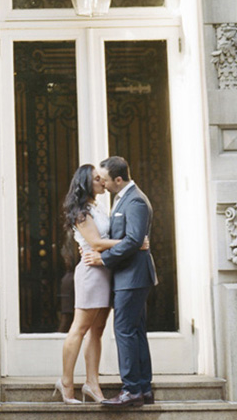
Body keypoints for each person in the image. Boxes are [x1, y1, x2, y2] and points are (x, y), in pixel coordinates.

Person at [83, 156, 157, 408]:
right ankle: (143, 388)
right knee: (135, 331)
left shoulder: (134, 200)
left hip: (132, 277)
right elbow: (131, 239)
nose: (101, 184)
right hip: (129, 276)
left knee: (125, 331)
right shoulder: (121, 198)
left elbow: (134, 240)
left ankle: (131, 390)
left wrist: (103, 259)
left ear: (117, 179)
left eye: (104, 179)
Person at [56, 164, 121, 405]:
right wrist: (130, 243)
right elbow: (95, 242)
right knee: (80, 328)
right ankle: (66, 383)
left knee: (98, 330)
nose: (103, 181)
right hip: (91, 272)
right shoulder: (81, 212)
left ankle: (92, 384)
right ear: (86, 183)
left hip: (105, 270)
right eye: (97, 179)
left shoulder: (99, 207)